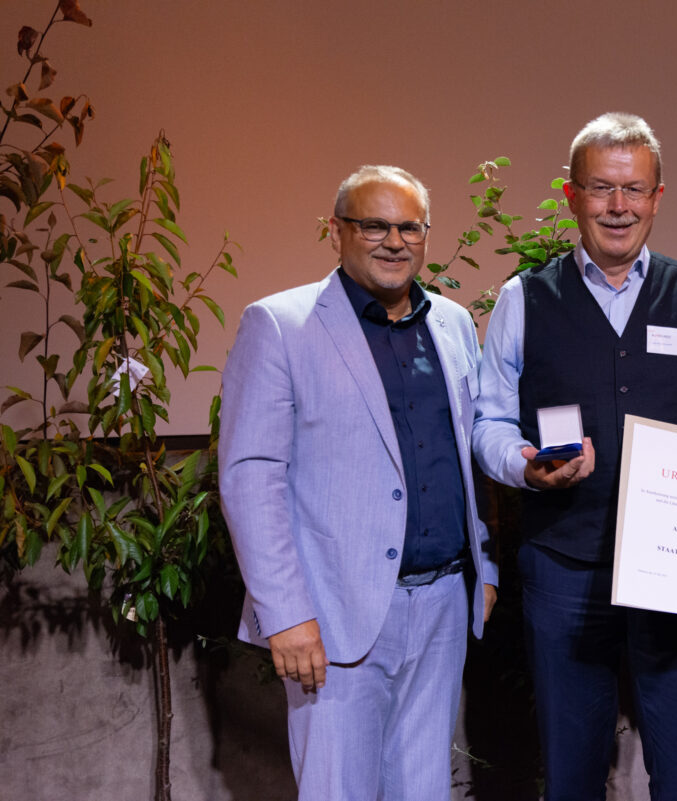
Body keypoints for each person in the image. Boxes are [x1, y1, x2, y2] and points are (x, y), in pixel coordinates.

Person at [472, 112, 677, 801]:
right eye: (601, 188)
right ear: (572, 195)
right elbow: (489, 420)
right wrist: (525, 465)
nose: (619, 206)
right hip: (564, 568)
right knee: (571, 775)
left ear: (657, 197)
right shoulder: (524, 298)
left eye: (635, 189)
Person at [218, 165, 498, 801]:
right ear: (336, 231)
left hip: (442, 605)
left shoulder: (453, 323)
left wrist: (485, 569)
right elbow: (250, 478)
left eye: (409, 228)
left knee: (424, 790)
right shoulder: (280, 324)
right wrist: (286, 614)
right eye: (374, 225)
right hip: (332, 614)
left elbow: (463, 452)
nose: (394, 241)